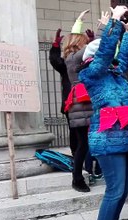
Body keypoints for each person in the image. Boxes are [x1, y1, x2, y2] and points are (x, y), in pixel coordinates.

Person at [77, 5, 128, 220]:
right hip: (106, 138)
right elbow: (105, 53)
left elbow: (122, 59)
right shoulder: (91, 73)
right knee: (114, 190)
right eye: (107, 55)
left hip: (123, 135)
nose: (112, 59)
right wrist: (114, 22)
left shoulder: (114, 73)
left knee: (124, 188)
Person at [63, 9, 93, 192]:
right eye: (84, 41)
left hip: (82, 102)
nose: (87, 43)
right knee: (83, 144)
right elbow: (97, 46)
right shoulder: (74, 58)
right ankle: (77, 178)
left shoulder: (71, 57)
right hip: (81, 103)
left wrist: (79, 21)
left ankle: (85, 173)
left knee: (85, 143)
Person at [49, 28, 77, 157]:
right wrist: (55, 46)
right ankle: (76, 158)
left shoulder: (86, 61)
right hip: (70, 103)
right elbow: (55, 61)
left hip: (88, 102)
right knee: (75, 132)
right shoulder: (66, 64)